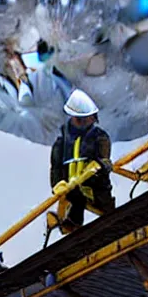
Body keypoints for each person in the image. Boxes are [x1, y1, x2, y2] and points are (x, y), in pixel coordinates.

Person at [50, 89, 115, 229]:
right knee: (75, 204)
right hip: (72, 191)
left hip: (97, 188)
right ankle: (72, 225)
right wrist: (58, 184)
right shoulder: (62, 142)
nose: (88, 123)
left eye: (90, 118)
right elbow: (56, 167)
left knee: (111, 217)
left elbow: (105, 160)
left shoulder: (100, 137)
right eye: (82, 120)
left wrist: (99, 166)